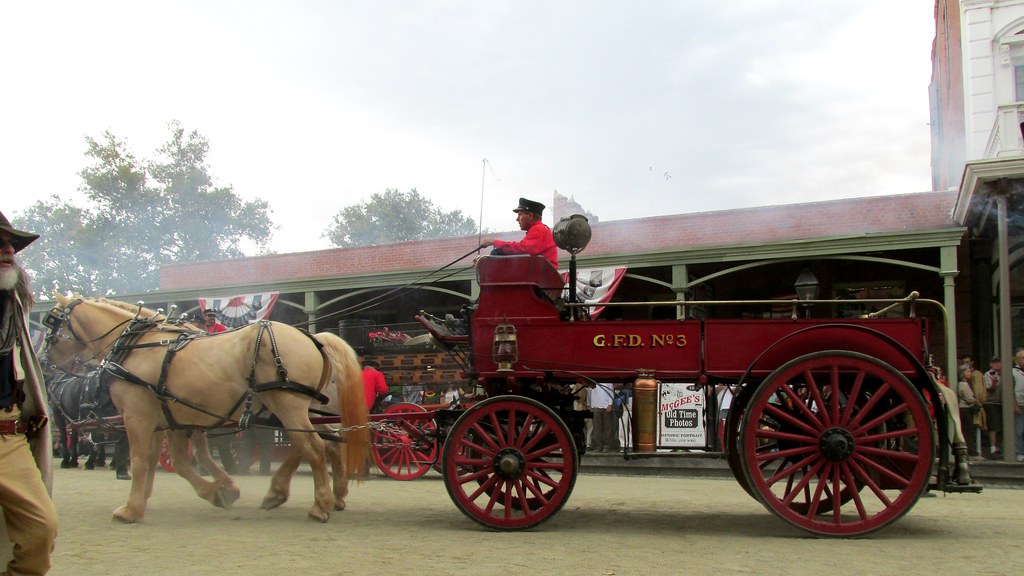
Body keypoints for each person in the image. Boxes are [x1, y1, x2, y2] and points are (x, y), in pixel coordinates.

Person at [0, 212, 58, 575]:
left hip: (8, 436)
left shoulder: (13, 306)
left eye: (11, 245)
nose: (9, 250)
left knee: (41, 529)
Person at [480, 197, 558, 268]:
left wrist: (494, 242)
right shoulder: (540, 229)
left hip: (542, 276)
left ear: (530, 215)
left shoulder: (538, 229)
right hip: (541, 275)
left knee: (498, 252)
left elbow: (522, 249)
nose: (517, 219)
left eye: (519, 215)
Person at [587, 382, 619, 454]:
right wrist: (592, 405)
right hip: (596, 406)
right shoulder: (593, 382)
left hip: (606, 406)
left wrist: (610, 404)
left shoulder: (607, 382)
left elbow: (610, 392)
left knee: (607, 427)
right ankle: (599, 446)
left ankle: (607, 446)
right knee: (597, 428)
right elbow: (592, 392)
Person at [956, 366, 980, 458]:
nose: (970, 373)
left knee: (967, 430)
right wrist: (975, 400)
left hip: (965, 409)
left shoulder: (965, 384)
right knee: (968, 431)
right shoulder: (963, 384)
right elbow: (969, 398)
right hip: (965, 409)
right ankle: (971, 450)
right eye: (967, 371)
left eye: (970, 371)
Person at [983, 356, 1003, 458]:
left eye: (998, 362)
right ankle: (992, 448)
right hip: (991, 403)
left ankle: (999, 447)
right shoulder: (988, 374)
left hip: (1002, 403)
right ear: (991, 364)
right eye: (995, 363)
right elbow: (989, 390)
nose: (997, 365)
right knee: (994, 426)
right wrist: (994, 383)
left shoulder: (1005, 373)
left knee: (1002, 427)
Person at [1014, 349, 1024, 463]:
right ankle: (1019, 452)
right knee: (1019, 429)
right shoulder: (1013, 372)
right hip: (1019, 404)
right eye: (1022, 358)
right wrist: (1014, 405)